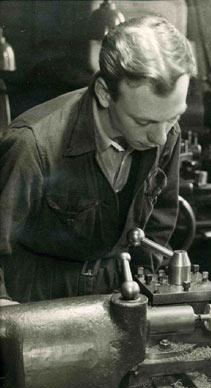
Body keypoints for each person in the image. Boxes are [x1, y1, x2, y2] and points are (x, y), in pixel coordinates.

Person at [0, 15, 196, 304]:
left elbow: (159, 224)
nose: (160, 139)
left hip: (116, 297)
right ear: (105, 93)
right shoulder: (33, 145)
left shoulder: (165, 131)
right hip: (36, 302)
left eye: (173, 117)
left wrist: (139, 295)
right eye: (143, 122)